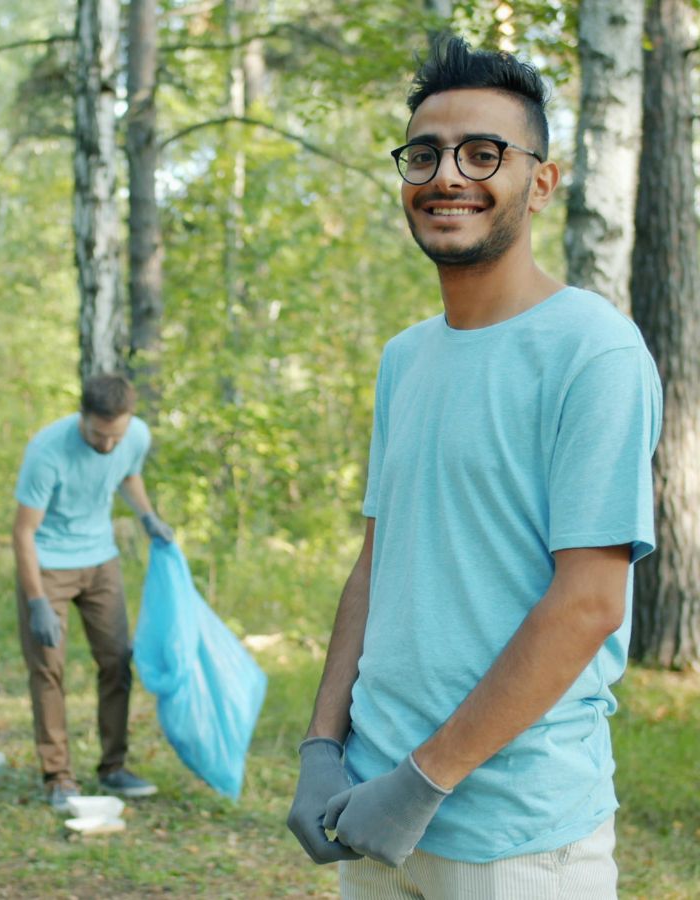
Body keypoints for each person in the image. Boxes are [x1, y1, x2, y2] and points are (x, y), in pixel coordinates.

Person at [286, 35, 662, 899]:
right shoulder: (405, 358)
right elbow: (377, 564)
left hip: (516, 838)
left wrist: (424, 781)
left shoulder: (594, 350)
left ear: (542, 182)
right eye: (424, 154)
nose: (447, 174)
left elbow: (590, 603)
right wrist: (322, 744)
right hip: (370, 808)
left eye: (482, 153)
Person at [13, 372, 174, 810]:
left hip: (101, 560)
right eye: (99, 434)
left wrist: (147, 517)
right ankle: (58, 777)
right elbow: (23, 532)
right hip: (48, 564)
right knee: (48, 668)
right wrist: (37, 602)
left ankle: (113, 767)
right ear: (82, 416)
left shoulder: (135, 436)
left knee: (117, 660)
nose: (107, 444)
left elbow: (129, 475)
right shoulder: (47, 451)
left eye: (115, 436)